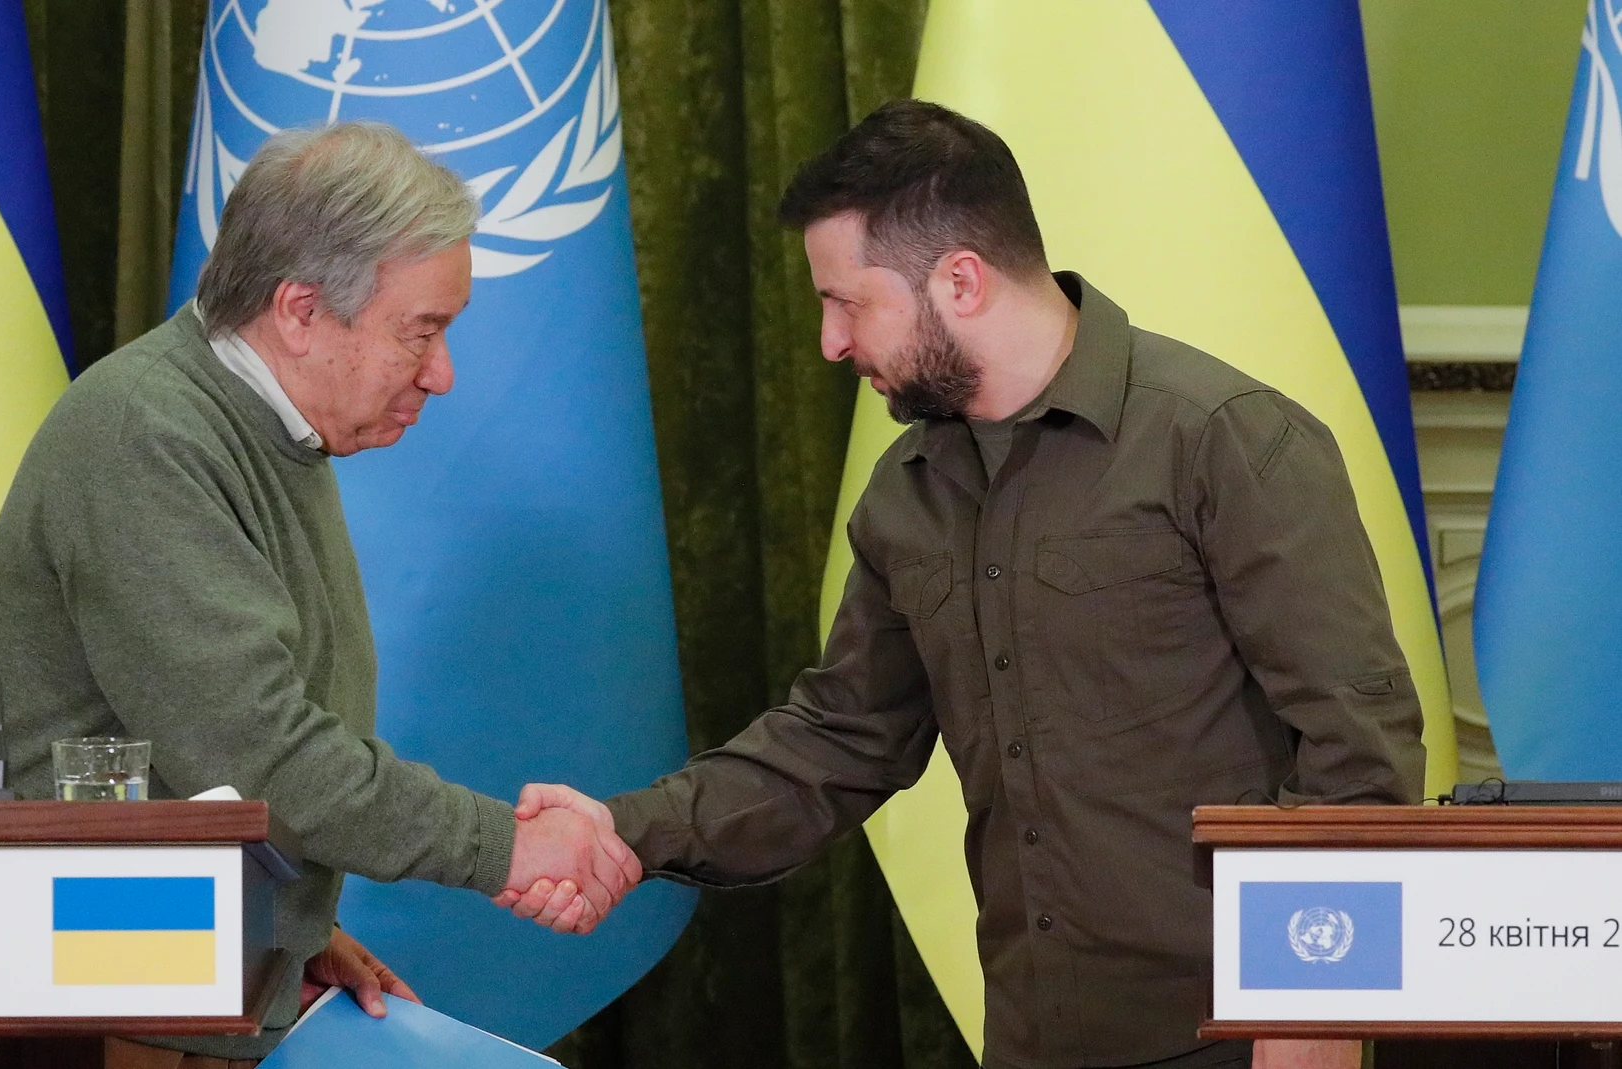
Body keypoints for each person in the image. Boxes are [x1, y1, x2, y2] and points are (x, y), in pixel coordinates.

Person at [504, 100, 1424, 1069]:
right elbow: (840, 738)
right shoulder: (906, 494)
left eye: (846, 301)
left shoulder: (1224, 437)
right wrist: (622, 830)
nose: (828, 341)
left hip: (1237, 1036)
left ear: (960, 281)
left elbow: (1357, 749)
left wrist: (1314, 1008)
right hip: (1031, 1036)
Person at [0, 121, 638, 1068]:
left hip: (163, 964)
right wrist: (503, 847)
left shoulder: (262, 426)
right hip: (73, 984)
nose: (443, 372)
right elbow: (257, 752)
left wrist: (286, 939)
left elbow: (222, 762)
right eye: (420, 330)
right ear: (301, 310)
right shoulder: (149, 432)